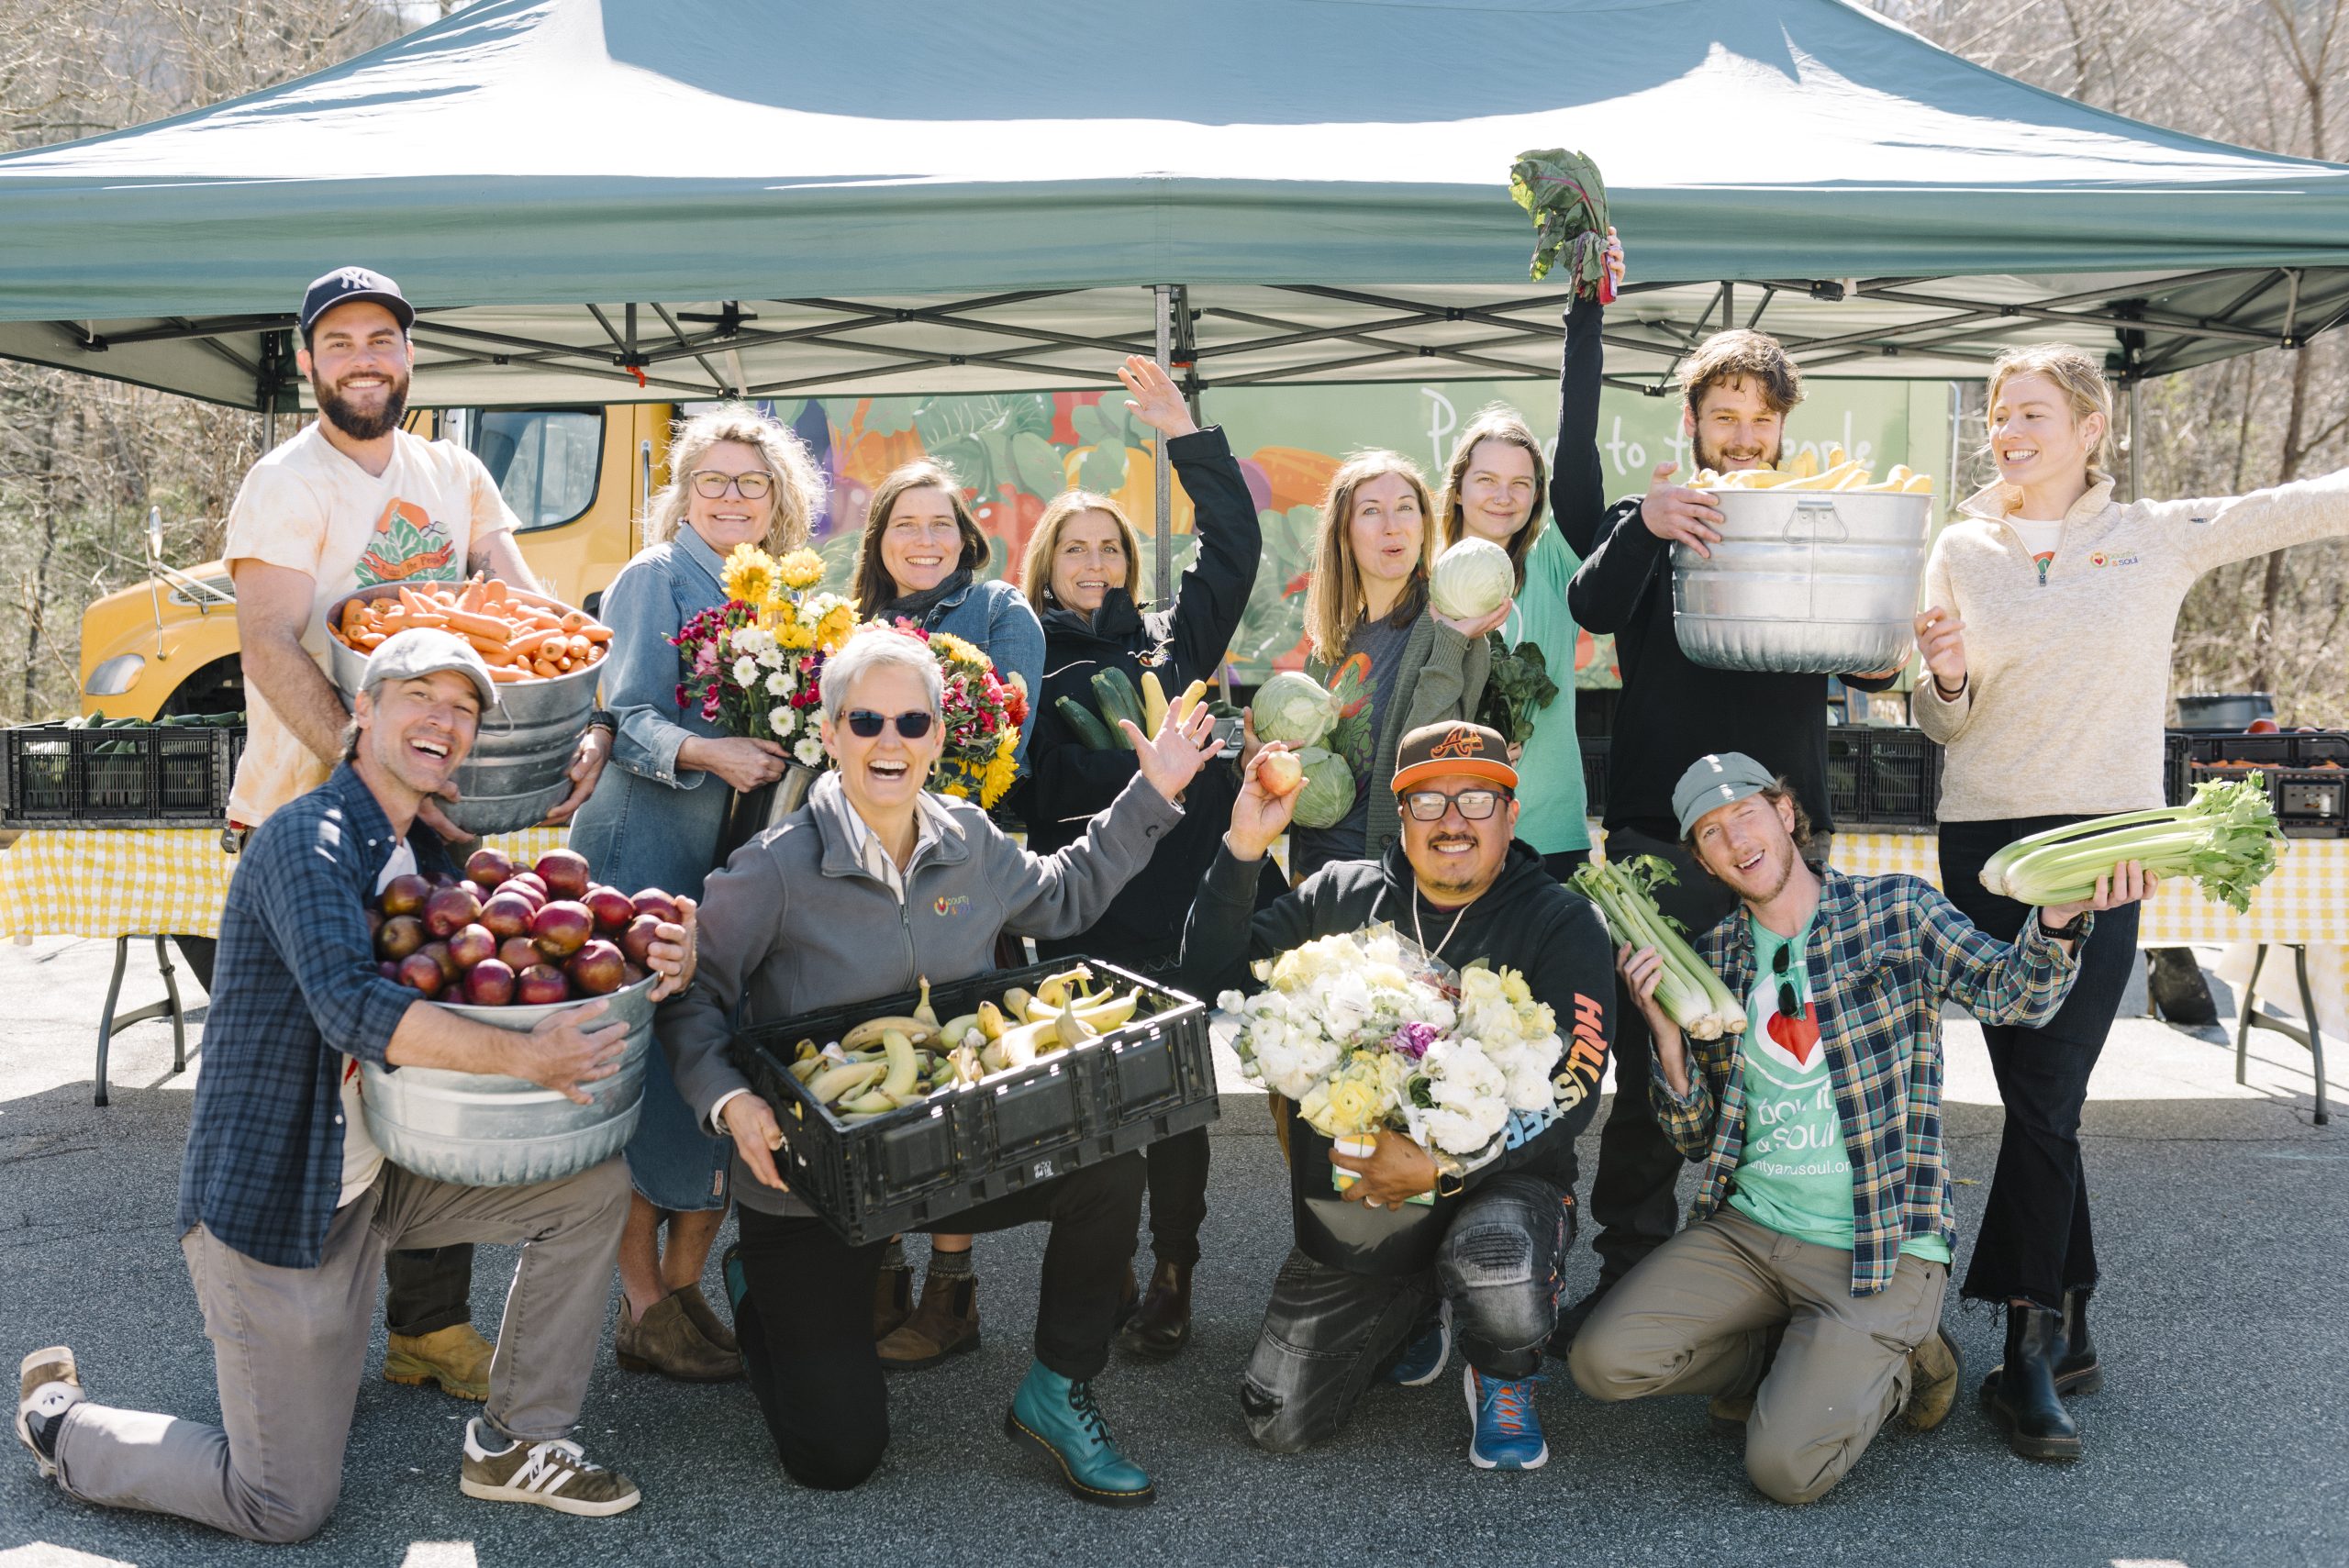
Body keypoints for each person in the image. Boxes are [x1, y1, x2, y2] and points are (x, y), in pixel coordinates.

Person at [15, 629, 699, 1540]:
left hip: (383, 1180)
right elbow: (349, 1003)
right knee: (282, 1503)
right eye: (421, 695)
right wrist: (527, 1058)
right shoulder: (309, 838)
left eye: (463, 707)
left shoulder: (426, 850)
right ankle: (64, 1426)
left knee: (588, 1188)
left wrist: (651, 954)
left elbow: (521, 955)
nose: (444, 720)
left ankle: (519, 1440)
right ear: (363, 710)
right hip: (278, 1206)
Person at [662, 626, 1222, 1507]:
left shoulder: (971, 837)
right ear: (830, 732)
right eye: (866, 721)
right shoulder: (773, 869)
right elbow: (693, 997)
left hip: (952, 1152)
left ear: (937, 736)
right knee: (837, 1457)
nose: (889, 741)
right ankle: (761, 1286)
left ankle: (1058, 1388)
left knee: (1109, 1167)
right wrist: (729, 1099)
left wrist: (1153, 792)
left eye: (912, 721)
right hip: (815, 1182)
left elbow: (1066, 896)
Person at [1911, 343, 2349, 1462]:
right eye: (1998, 413)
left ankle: (2025, 1351)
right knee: (2035, 1095)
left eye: (2032, 413)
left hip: (2105, 849)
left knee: (2047, 1093)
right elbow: (1940, 718)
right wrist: (1945, 677)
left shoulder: (2153, 534)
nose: (2009, 431)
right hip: (1985, 849)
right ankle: (2073, 1322)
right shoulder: (1959, 547)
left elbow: (2288, 506)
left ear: (2090, 427)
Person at [222, 266, 615, 1405]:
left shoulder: (453, 473)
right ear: (308, 362)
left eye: (382, 339)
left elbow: (533, 616)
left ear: (409, 356)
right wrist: (372, 764)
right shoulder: (286, 483)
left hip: (429, 816)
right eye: (339, 341)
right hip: (309, 814)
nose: (364, 359)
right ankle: (283, 1322)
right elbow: (269, 642)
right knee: (316, 1075)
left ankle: (427, 1327)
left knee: (434, 1051)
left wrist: (579, 725)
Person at [1568, 752, 2149, 1505]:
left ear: (1785, 813)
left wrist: (2059, 923)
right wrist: (1666, 1041)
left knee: (1784, 1471)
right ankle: (1794, 1358)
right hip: (1749, 1231)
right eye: (1711, 832)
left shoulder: (1896, 910)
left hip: (1880, 1242)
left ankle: (1904, 1358)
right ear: (1704, 860)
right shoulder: (1713, 961)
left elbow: (2015, 996)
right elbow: (1697, 1140)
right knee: (1602, 1362)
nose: (1736, 839)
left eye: (1746, 813)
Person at [1558, 325, 1897, 1337]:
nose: (1743, 436)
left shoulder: (1814, 522)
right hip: (1659, 846)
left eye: (1760, 418)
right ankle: (1628, 1276)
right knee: (1648, 1071)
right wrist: (1645, 523)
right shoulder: (1649, 518)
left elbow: (1874, 659)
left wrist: (1890, 654)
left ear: (1782, 427)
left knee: (1789, 1070)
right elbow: (1592, 602)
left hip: (1787, 845)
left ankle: (1773, 1280)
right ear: (1692, 423)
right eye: (1724, 416)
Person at [1180, 721, 1615, 1470]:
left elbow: (1575, 1082)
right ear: (1401, 814)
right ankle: (1414, 1307)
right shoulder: (1339, 894)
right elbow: (1208, 980)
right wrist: (1244, 846)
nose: (1453, 820)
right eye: (1428, 800)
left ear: (1511, 813)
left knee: (1501, 1269)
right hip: (1366, 1196)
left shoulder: (1561, 919)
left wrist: (1449, 1166)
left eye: (1477, 799)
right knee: (1277, 1419)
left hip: (1501, 1184)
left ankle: (1502, 1367)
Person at [1008, 354, 1278, 1363]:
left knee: (1176, 1103)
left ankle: (1174, 1270)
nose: (1094, 563)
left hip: (1181, 909)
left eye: (1109, 548)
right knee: (1092, 1099)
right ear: (1046, 564)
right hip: (1083, 910)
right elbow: (1024, 791)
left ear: (1127, 562)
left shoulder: (1173, 647)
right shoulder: (1022, 661)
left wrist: (1183, 434)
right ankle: (1110, 1257)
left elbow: (1234, 544)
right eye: (1074, 548)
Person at [567, 405, 826, 1383]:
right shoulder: (654, 576)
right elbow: (622, 711)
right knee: (640, 1079)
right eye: (711, 480)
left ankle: (680, 1294)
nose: (730, 497)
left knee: (710, 1067)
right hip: (642, 852)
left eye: (750, 483)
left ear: (778, 499)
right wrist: (711, 752)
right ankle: (644, 1306)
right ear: (684, 493)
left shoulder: (783, 595)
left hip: (730, 866)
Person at [850, 459, 1048, 1344]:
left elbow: (1007, 739)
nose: (924, 540)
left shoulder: (1001, 611)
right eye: (905, 524)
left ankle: (952, 1287)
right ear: (880, 542)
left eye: (941, 524)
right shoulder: (849, 625)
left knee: (956, 1074)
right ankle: (884, 1264)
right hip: (862, 874)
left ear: (966, 538)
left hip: (961, 874)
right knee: (879, 1069)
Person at [1432, 229, 1622, 883]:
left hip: (1548, 832)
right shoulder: (1422, 577)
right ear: (1458, 487)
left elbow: (1577, 441)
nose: (1503, 496)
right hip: (1446, 829)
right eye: (1486, 479)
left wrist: (1586, 308)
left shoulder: (1555, 561)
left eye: (1521, 483)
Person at [1285, 452, 1504, 883]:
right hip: (1312, 878)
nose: (1392, 525)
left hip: (1387, 883)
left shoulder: (1453, 629)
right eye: (1371, 511)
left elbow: (1427, 764)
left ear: (1423, 524)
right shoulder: (1330, 644)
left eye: (1405, 507)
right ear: (1344, 534)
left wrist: (1449, 645)